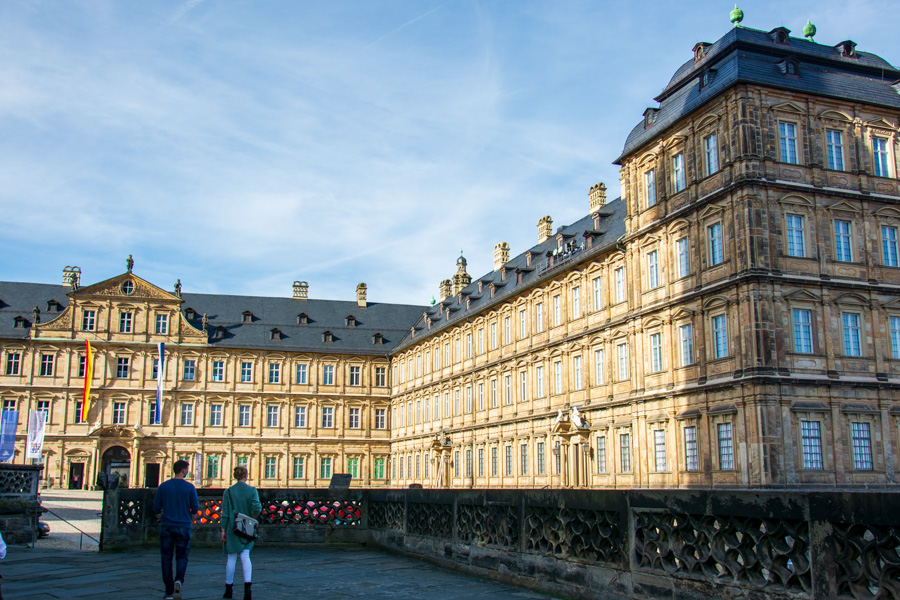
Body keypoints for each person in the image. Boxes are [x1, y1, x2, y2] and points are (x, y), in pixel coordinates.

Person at [153, 460, 200, 600]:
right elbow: (195, 508)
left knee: (166, 558)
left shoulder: (163, 486)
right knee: (182, 556)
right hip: (184, 525)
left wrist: (162, 517)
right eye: (187, 469)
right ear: (183, 470)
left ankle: (168, 591)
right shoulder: (189, 487)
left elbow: (156, 507)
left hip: (167, 525)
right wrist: (189, 519)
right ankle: (179, 580)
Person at [220, 466, 261, 599]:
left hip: (233, 528)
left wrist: (223, 530)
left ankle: (228, 589)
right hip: (247, 527)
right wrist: (253, 517)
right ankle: (247, 590)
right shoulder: (252, 490)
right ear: (246, 475)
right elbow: (257, 507)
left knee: (231, 557)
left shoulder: (229, 492)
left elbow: (225, 513)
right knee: (245, 556)